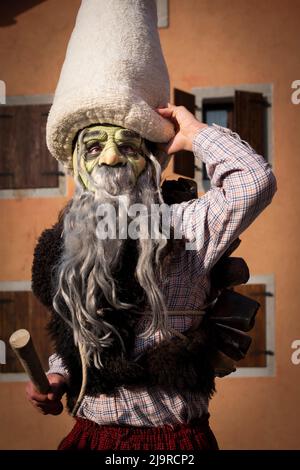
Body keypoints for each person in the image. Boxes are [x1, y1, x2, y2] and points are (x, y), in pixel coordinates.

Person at [26, 103, 277, 450]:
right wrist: (59, 375)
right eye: (95, 147)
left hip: (173, 443)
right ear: (79, 168)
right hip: (91, 437)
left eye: (128, 147)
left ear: (150, 164)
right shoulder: (70, 245)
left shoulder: (185, 227)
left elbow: (254, 181)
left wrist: (195, 133)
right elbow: (79, 336)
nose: (110, 159)